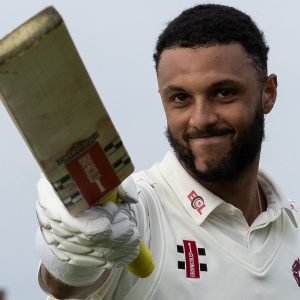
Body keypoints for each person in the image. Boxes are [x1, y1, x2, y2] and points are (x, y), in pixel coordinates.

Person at [36, 4, 300, 299]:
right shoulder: (140, 210)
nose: (201, 118)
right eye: (180, 98)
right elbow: (64, 286)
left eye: (224, 92)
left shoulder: (294, 228)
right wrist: (68, 253)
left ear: (268, 93)